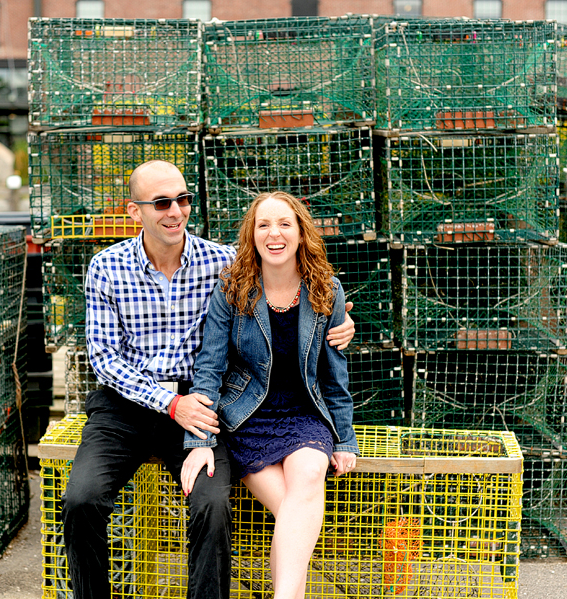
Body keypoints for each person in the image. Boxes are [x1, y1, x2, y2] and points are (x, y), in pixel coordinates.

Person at [59, 161, 355, 599]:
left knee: (213, 505)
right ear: (134, 211)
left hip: (201, 404)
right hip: (127, 406)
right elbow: (105, 359)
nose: (175, 211)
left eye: (183, 199)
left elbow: (288, 281)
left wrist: (344, 322)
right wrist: (168, 403)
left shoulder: (223, 263)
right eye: (162, 202)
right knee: (81, 500)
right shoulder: (107, 267)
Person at [180, 191, 359, 599]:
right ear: (252, 234)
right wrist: (201, 439)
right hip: (246, 417)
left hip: (304, 414)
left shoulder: (326, 289)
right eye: (264, 224)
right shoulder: (233, 289)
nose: (274, 233)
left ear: (300, 233)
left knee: (310, 476)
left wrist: (344, 437)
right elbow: (209, 368)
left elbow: (334, 373)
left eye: (284, 224)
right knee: (296, 514)